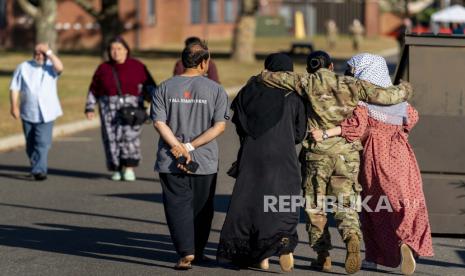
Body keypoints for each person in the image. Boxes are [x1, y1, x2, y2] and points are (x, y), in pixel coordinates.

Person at [257, 50, 413, 274]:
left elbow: (275, 77)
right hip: (346, 155)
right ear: (331, 67)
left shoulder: (306, 82)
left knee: (315, 206)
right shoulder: (351, 84)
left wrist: (260, 76)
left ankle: (323, 255)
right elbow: (386, 96)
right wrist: (406, 88)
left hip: (316, 155)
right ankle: (351, 236)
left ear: (311, 68)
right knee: (345, 202)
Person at [310, 53, 434, 275]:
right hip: (402, 157)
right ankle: (407, 241)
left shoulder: (362, 103)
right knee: (409, 201)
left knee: (375, 209)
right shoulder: (398, 100)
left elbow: (354, 129)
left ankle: (374, 258)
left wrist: (325, 133)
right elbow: (412, 118)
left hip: (373, 159)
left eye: (352, 71)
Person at [216, 53, 307, 272]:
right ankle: (282, 243)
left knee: (250, 203)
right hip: (282, 156)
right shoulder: (293, 96)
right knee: (281, 201)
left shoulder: (248, 91)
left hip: (251, 154)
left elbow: (238, 122)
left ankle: (259, 256)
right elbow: (299, 133)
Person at [152, 40, 229, 269]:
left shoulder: (164, 87)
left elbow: (158, 122)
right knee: (203, 208)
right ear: (204, 62)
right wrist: (190, 147)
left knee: (176, 205)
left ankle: (186, 251)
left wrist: (177, 146)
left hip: (170, 158)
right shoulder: (216, 90)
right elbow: (219, 126)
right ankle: (198, 250)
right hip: (203, 160)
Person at [84, 37, 156, 181]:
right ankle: (116, 168)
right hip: (108, 109)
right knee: (111, 139)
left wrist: (156, 103)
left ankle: (129, 167)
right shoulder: (103, 68)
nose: (115, 52)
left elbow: (150, 86)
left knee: (130, 138)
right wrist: (89, 107)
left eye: (119, 49)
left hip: (132, 109)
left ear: (126, 50)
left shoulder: (137, 66)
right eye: (112, 49)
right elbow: (94, 89)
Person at [9, 43, 64, 181]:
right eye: (37, 53)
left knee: (42, 142)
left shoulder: (51, 67)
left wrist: (49, 52)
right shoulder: (24, 67)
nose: (39, 56)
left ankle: (39, 170)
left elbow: (60, 67)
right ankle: (35, 167)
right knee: (30, 143)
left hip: (47, 112)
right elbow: (15, 87)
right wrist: (14, 106)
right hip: (28, 111)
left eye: (42, 54)